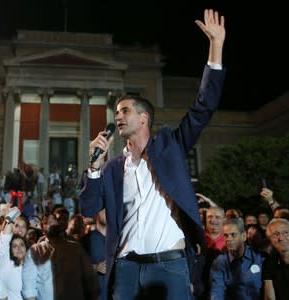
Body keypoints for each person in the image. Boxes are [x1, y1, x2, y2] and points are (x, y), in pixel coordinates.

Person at [78, 9, 226, 299]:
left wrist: (216, 46)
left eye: (125, 111)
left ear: (144, 118)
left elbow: (203, 108)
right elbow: (88, 209)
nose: (118, 116)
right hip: (126, 268)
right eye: (116, 112)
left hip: (169, 266)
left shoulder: (170, 147)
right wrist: (94, 166)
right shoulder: (111, 169)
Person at [209, 218, 263, 300]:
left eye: (233, 235)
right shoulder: (220, 262)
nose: (228, 239)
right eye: (226, 235)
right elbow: (217, 290)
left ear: (244, 236)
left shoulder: (258, 258)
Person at [262, 218, 289, 300]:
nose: (281, 238)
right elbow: (269, 297)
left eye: (286, 233)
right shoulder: (269, 263)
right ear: (270, 240)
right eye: (276, 234)